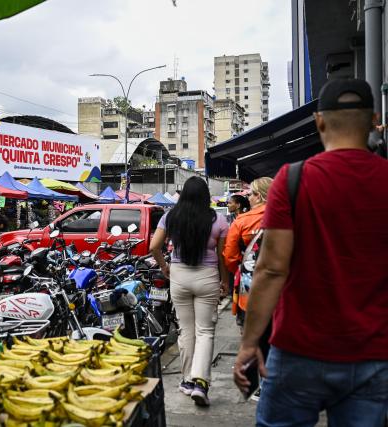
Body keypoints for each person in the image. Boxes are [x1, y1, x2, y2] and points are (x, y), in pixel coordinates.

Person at [233, 79, 388, 426]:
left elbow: (271, 269)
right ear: (374, 120)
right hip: (373, 356)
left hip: (299, 351)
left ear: (319, 121)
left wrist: (249, 342)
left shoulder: (293, 180)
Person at [149, 176, 229, 406]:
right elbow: (223, 257)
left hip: (179, 276)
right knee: (205, 331)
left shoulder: (170, 217)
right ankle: (200, 383)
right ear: (206, 196)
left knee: (185, 331)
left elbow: (154, 246)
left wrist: (165, 266)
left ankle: (186, 380)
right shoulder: (219, 220)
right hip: (208, 277)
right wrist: (225, 281)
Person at [223, 178, 272, 329]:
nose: (248, 198)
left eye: (250, 194)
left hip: (250, 288)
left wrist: (240, 270)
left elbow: (230, 256)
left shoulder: (242, 221)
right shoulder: (288, 216)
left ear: (259, 196)